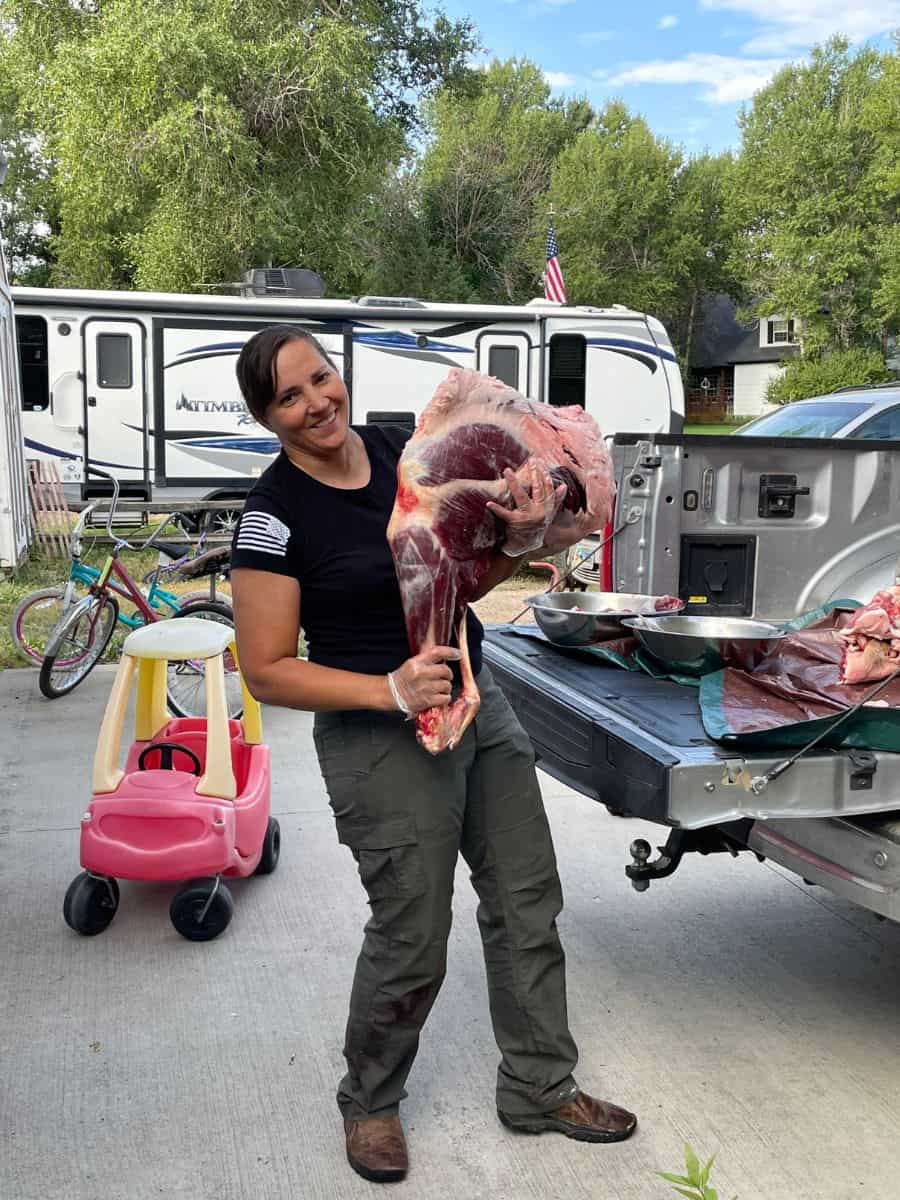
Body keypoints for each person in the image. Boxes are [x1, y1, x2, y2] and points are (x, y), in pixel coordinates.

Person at [230, 325, 637, 1184]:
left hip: (476, 704)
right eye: (289, 398)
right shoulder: (273, 516)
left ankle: (538, 1084)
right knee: (413, 930)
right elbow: (265, 670)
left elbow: (496, 545)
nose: (316, 404)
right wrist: (388, 689)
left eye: (320, 380)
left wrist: (533, 516)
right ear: (267, 416)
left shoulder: (401, 447)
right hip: (376, 730)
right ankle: (371, 1101)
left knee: (527, 897)